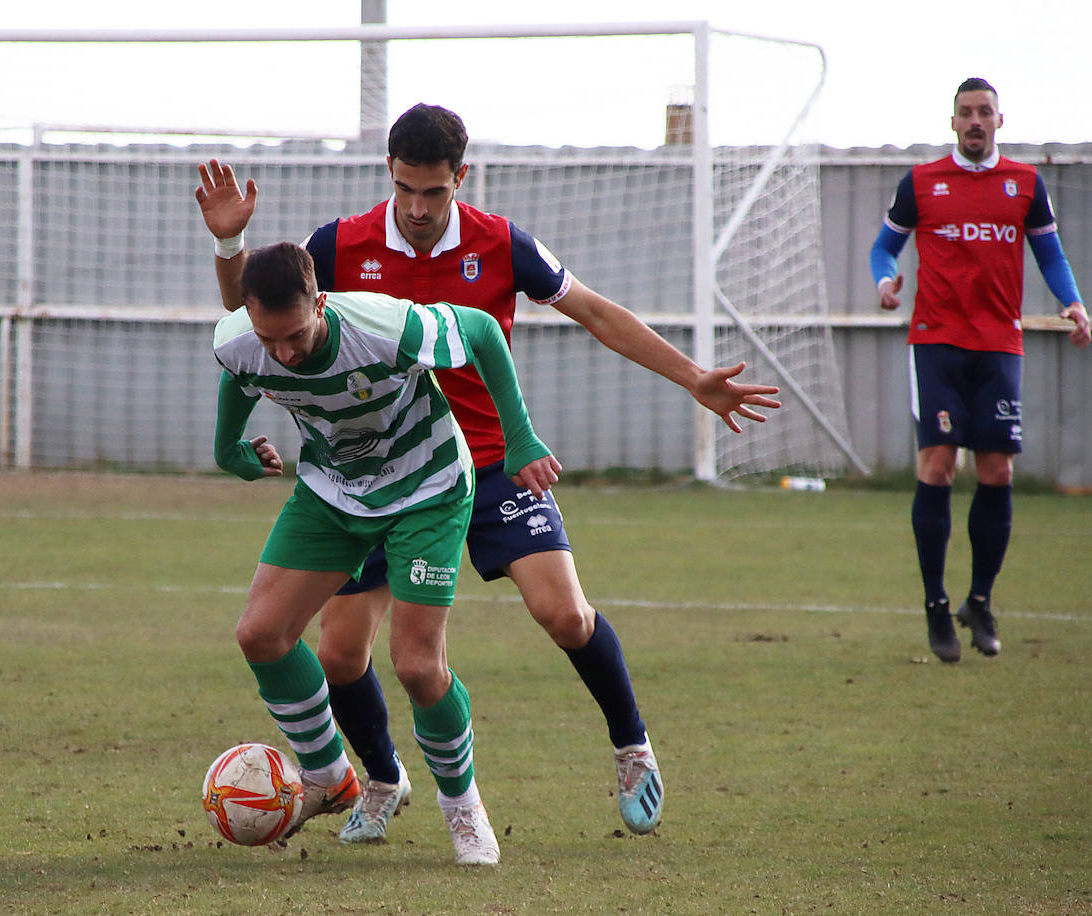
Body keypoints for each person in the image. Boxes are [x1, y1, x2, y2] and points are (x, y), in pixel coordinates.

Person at [197, 103, 781, 844]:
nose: (415, 208)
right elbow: (251, 319)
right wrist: (230, 242)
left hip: (492, 458)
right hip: (378, 467)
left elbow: (596, 313)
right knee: (341, 651)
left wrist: (694, 376)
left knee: (565, 615)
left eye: (433, 192)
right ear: (389, 174)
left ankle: (632, 748)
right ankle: (381, 779)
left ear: (459, 179)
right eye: (404, 188)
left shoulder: (500, 243)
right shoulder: (338, 245)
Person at [213, 241, 561, 866]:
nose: (284, 353)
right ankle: (327, 775)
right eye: (270, 339)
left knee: (418, 667)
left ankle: (462, 807)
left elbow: (481, 329)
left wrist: (520, 436)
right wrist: (229, 451)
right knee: (261, 633)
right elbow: (241, 377)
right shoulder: (241, 338)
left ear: (320, 302)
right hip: (334, 494)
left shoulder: (383, 325)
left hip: (427, 487)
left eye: (294, 335)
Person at [870, 77, 1089, 663]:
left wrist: (1072, 301)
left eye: (983, 112)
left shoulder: (1024, 184)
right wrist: (885, 281)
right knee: (939, 465)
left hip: (999, 347)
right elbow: (883, 247)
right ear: (952, 122)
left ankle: (980, 601)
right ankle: (936, 606)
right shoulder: (921, 182)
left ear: (999, 120)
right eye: (965, 112)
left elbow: (1049, 252)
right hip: (936, 343)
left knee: (996, 471)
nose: (974, 121)